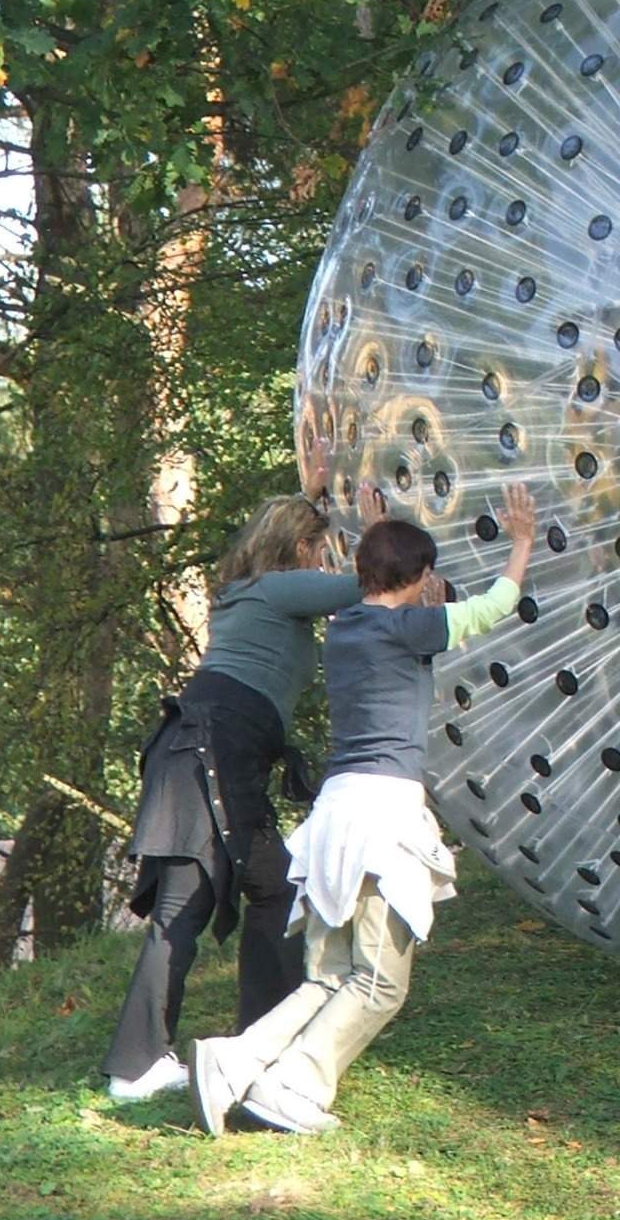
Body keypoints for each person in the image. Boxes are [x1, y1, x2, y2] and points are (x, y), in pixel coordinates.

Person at [188, 482, 536, 1136]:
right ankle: (296, 1083)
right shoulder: (411, 629)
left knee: (328, 976)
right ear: (422, 576)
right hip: (382, 815)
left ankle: (234, 1062)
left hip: (334, 815)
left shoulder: (344, 629)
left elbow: (390, 593)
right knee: (378, 981)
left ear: (363, 571)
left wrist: (382, 534)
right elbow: (495, 605)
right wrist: (520, 544)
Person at [101, 459, 366, 1101]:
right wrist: (378, 528)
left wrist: (311, 499)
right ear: (299, 548)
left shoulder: (248, 588)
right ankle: (135, 1066)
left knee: (275, 887)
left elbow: (293, 540)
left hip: (210, 751)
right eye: (315, 546)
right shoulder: (280, 590)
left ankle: (257, 1045)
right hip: (210, 753)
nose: (321, 558)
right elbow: (368, 584)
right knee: (181, 909)